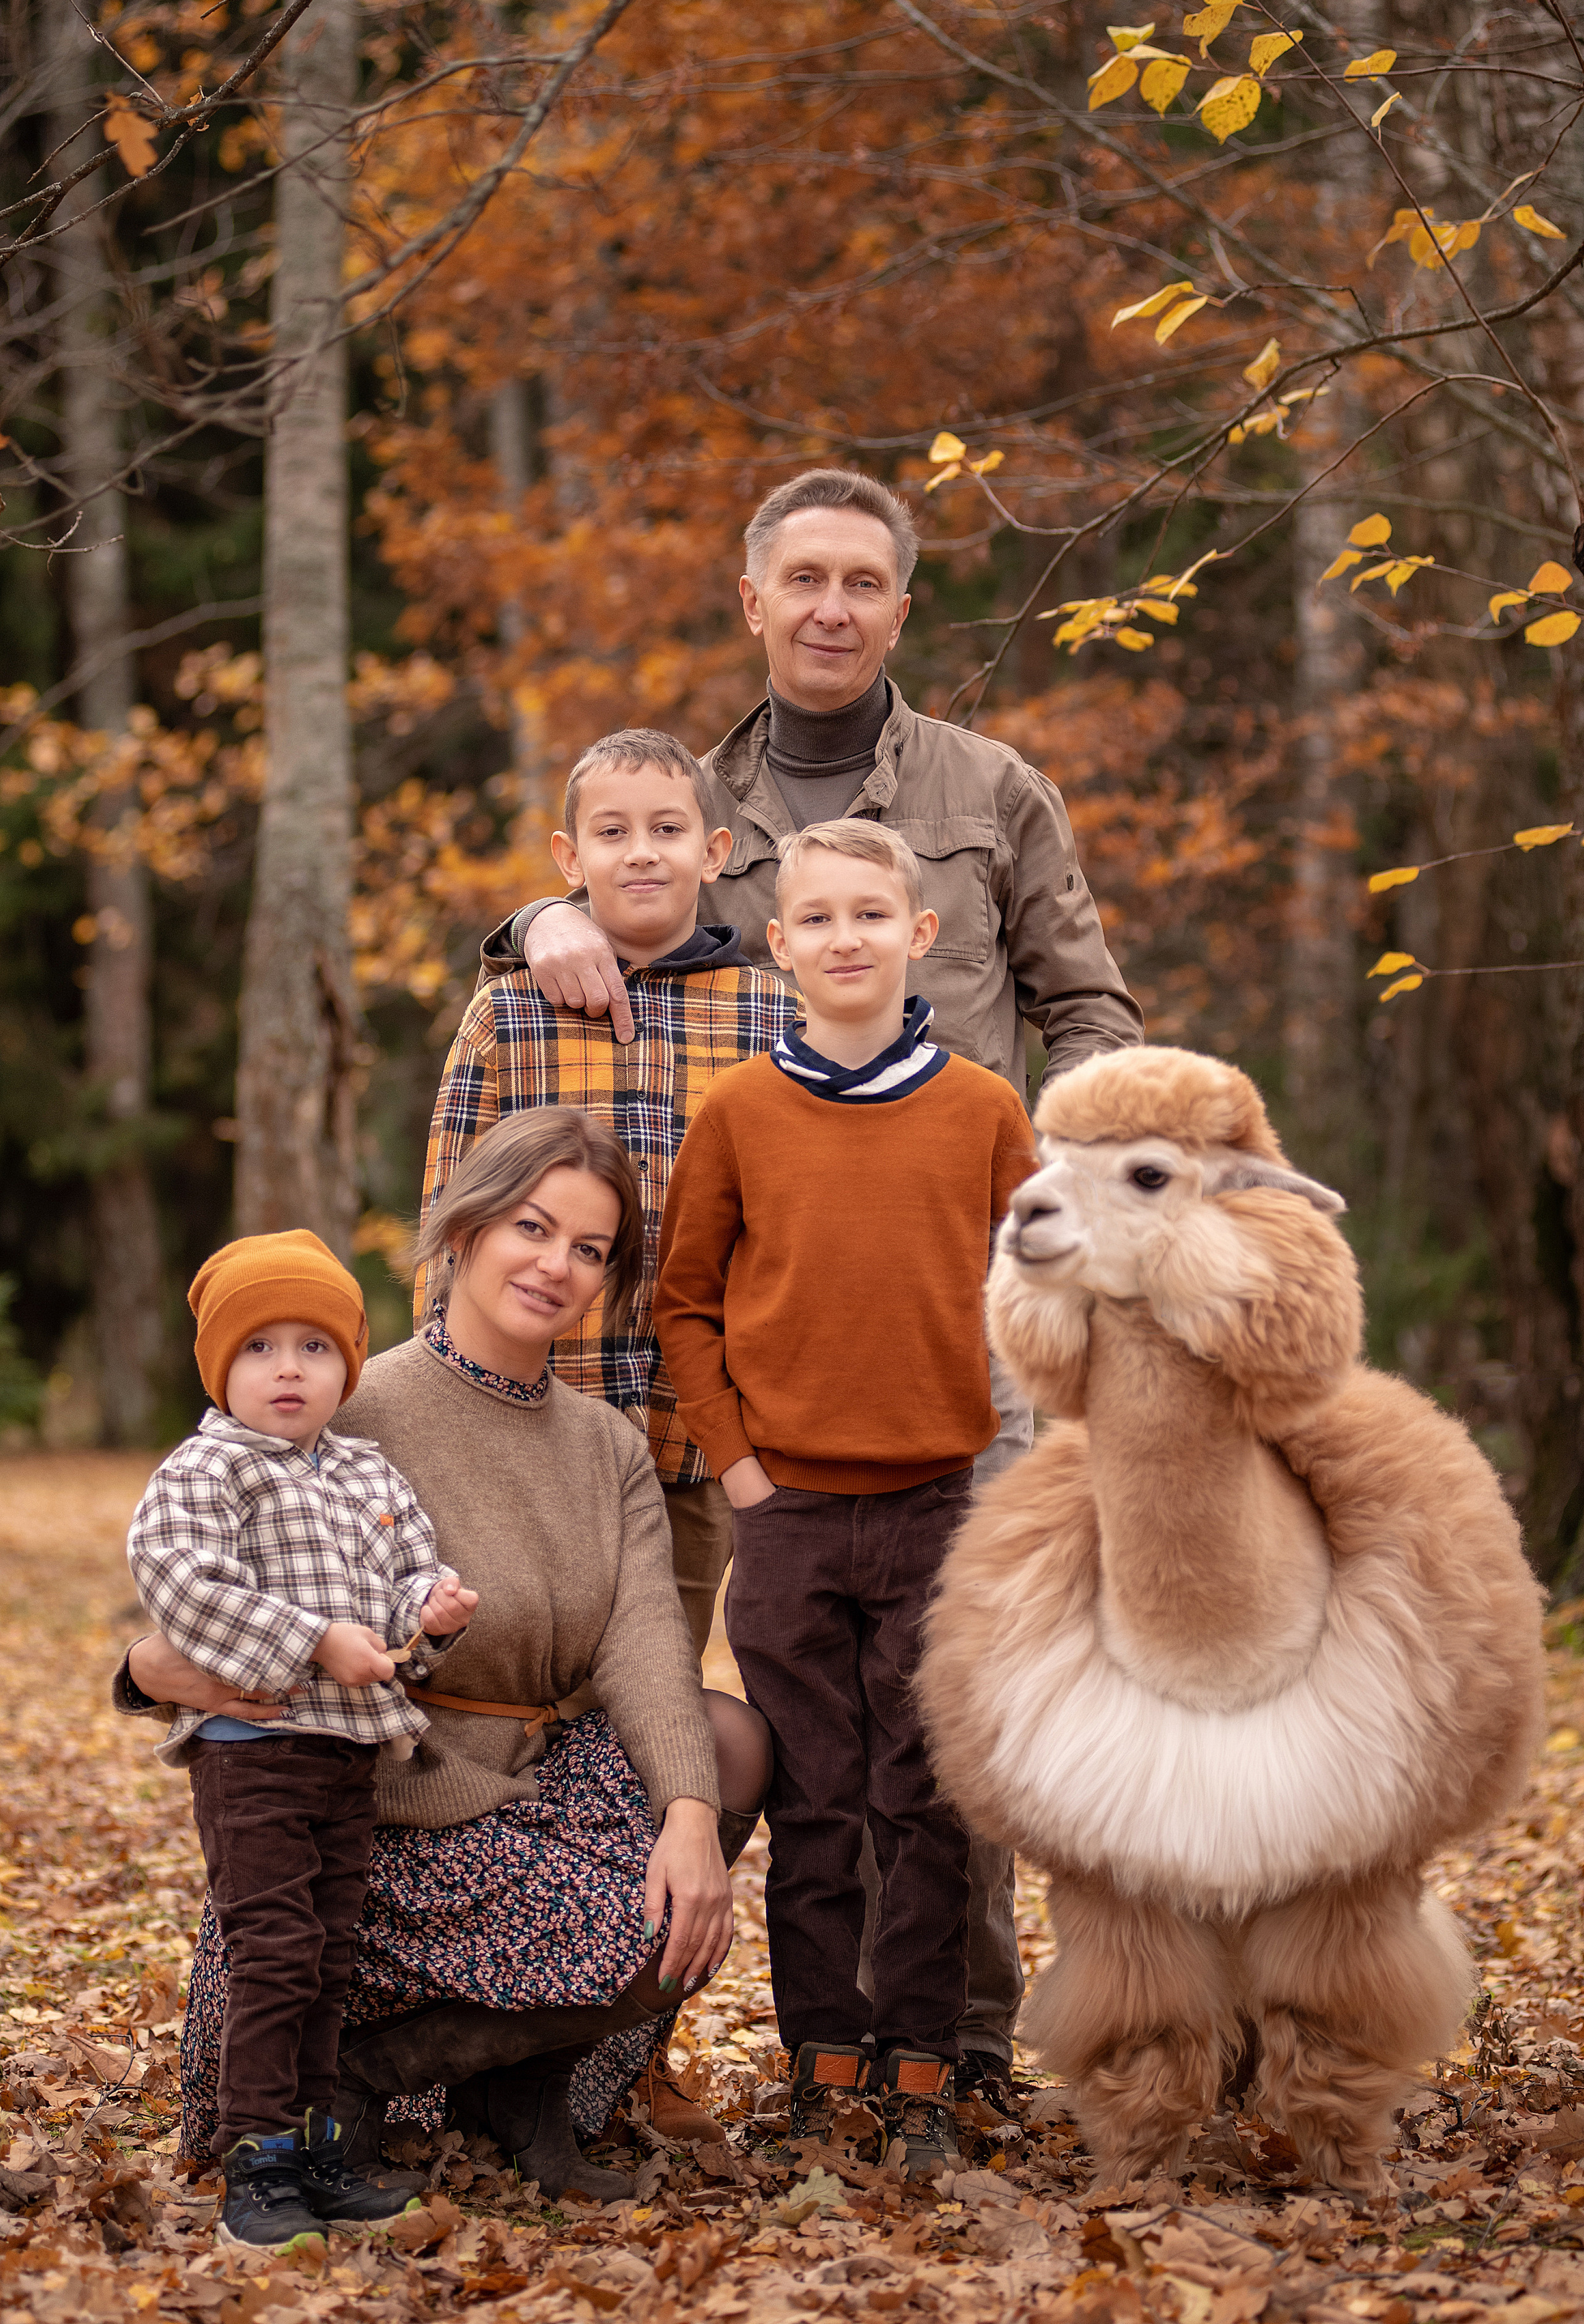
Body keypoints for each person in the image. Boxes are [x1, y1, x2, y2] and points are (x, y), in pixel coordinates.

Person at [488, 467, 1144, 2105]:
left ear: (903, 607)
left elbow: (1095, 1009)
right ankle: (641, 2058)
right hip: (753, 1349)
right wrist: (536, 913)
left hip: (967, 1336)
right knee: (712, 1721)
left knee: (950, 1720)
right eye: (807, 580)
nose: (835, 607)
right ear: (755, 602)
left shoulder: (994, 791)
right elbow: (592, 900)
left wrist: (1063, 1208)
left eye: (867, 580)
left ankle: (960, 2052)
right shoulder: (690, 808)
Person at [120, 1111, 772, 2203]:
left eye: (590, 1249)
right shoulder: (343, 1396)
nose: (556, 1265)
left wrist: (692, 1816)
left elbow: (649, 1641)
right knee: (632, 1935)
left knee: (728, 1753)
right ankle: (347, 2080)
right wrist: (147, 1668)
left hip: (523, 1793)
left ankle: (515, 2085)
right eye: (533, 1226)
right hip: (368, 1810)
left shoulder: (608, 1443)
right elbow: (191, 1562)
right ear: (464, 1231)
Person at [653, 821, 1036, 2177]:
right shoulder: (738, 1112)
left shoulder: (985, 1112)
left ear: (919, 933)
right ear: (780, 945)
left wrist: (1011, 1470)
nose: (845, 940)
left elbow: (1035, 1292)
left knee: (924, 1801)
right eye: (816, 920)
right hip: (788, 1518)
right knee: (816, 1802)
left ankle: (923, 2070)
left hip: (940, 1506)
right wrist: (742, 1470)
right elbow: (685, 1304)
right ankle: (821, 2063)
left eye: (871, 915)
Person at [126, 1228, 479, 2254]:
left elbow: (405, 1582)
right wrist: (314, 1641)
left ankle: (318, 2145)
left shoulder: (369, 1472)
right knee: (275, 1954)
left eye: (315, 1348)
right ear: (221, 1368)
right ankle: (258, 2157)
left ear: (347, 1370)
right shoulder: (208, 1469)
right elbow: (182, 1581)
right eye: (261, 1348)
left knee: (329, 1959)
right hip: (254, 1752)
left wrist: (432, 1609)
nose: (289, 1368)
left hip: (348, 1755)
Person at [420, 727, 793, 1660]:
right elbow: (449, 1219)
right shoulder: (509, 1013)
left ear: (713, 854)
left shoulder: (773, 1013)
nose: (640, 853)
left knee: (657, 1670)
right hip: (533, 1412)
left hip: (697, 1425)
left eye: (668, 829)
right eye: (612, 831)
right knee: (517, 1663)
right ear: (569, 857)